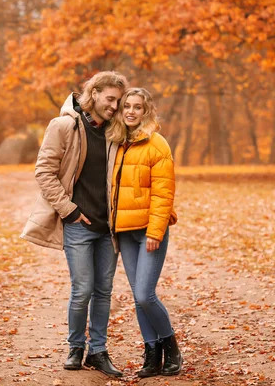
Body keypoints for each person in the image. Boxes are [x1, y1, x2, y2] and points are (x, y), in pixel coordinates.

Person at [21, 71, 129, 378]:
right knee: (82, 290)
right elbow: (44, 172)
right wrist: (68, 210)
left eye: (118, 101)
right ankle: (75, 348)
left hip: (108, 227)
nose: (114, 106)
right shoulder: (64, 125)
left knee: (103, 291)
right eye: (110, 99)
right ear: (93, 94)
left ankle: (98, 351)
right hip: (79, 225)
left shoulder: (116, 130)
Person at [107, 87, 182, 378]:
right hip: (125, 231)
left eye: (137, 107)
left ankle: (171, 347)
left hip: (149, 232)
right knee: (138, 297)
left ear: (146, 111)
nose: (131, 111)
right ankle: (152, 355)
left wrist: (156, 231)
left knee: (145, 294)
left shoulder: (157, 144)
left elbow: (164, 194)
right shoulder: (116, 143)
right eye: (127, 105)